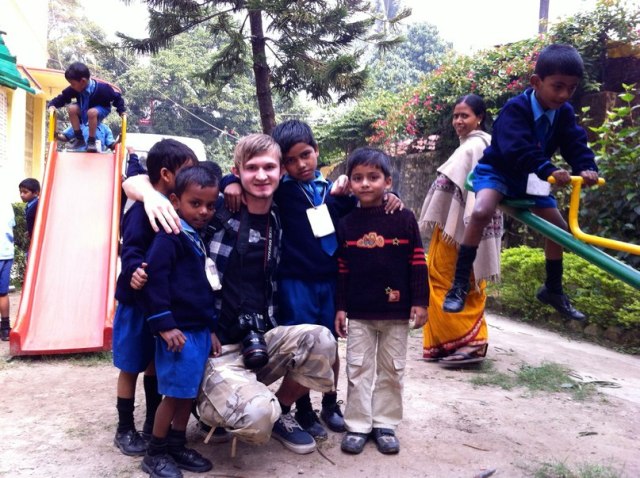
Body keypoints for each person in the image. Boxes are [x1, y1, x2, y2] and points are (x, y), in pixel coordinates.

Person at [121, 134, 338, 455]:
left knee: (322, 340)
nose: (262, 175)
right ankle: (215, 410)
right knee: (256, 414)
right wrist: (152, 196)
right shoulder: (213, 208)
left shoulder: (280, 214)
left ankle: (278, 409)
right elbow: (136, 181)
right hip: (212, 345)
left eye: (269, 167)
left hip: (258, 337)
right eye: (252, 168)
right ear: (237, 172)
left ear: (281, 172)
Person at [220, 120, 402, 440]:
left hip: (331, 280)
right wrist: (228, 183)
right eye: (290, 160)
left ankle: (330, 403)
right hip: (294, 282)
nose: (300, 164)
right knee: (304, 347)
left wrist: (392, 196)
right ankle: (301, 408)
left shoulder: (336, 190)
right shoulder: (279, 191)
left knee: (330, 346)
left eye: (305, 155)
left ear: (317, 151)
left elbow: (368, 195)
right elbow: (242, 177)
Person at [443, 44, 599, 321]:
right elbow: (516, 148)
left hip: (532, 176)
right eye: (558, 86)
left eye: (571, 89)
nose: (564, 95)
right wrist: (548, 168)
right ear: (536, 83)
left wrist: (586, 167)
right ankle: (457, 287)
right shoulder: (515, 109)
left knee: (559, 230)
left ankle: (552, 288)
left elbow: (575, 142)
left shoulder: (563, 112)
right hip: (500, 170)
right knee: (481, 211)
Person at [335, 147, 428, 455]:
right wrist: (341, 307)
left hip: (396, 312)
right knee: (358, 368)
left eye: (373, 177)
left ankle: (384, 424)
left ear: (388, 181)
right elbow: (343, 269)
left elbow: (417, 260)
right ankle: (358, 425)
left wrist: (420, 301)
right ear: (349, 183)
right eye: (358, 178)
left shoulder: (403, 218)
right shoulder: (347, 224)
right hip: (360, 312)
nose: (365, 184)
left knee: (392, 368)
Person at [112, 139, 197, 458]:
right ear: (166, 173)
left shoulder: (176, 203)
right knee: (131, 366)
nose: (192, 176)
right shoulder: (143, 207)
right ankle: (124, 428)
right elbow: (130, 247)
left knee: (153, 364)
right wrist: (133, 270)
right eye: (187, 171)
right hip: (135, 303)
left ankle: (151, 422)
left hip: (158, 304)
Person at [141, 165, 220, 478]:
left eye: (210, 206)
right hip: (178, 333)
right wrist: (165, 325)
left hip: (198, 330)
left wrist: (210, 329)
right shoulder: (169, 237)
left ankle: (177, 444)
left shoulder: (196, 237)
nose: (203, 211)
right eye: (195, 204)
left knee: (187, 392)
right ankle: (155, 452)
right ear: (175, 201)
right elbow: (154, 281)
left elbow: (202, 290)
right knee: (173, 395)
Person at [418, 94, 503, 364]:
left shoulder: (474, 147)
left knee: (448, 279)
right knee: (450, 279)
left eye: (464, 115)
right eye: (455, 116)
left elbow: (468, 196)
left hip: (462, 231)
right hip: (454, 229)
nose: (458, 121)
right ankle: (448, 343)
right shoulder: (474, 145)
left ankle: (472, 342)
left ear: (479, 118)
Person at [48, 61, 126, 153]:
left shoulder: (103, 89)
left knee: (92, 113)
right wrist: (52, 105)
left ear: (83, 81)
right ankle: (79, 139)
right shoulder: (75, 89)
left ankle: (91, 142)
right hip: (84, 109)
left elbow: (117, 97)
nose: (71, 86)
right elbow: (63, 97)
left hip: (101, 109)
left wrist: (122, 111)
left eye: (73, 83)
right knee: (71, 108)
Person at [0, 199, 15, 341]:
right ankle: (5, 329)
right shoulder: (6, 204)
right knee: (2, 293)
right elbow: (12, 225)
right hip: (5, 253)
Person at [18, 178, 40, 247]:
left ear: (36, 193)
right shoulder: (30, 205)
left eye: (25, 192)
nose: (21, 195)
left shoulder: (37, 205)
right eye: (20, 192)